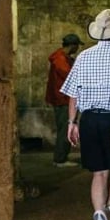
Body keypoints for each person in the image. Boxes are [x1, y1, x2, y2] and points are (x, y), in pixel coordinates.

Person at [61, 8, 110, 220]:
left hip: (89, 119)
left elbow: (73, 94)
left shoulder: (83, 57)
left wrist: (72, 122)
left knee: (99, 173)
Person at [46, 32, 81, 166]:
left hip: (63, 99)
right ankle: (60, 159)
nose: (78, 48)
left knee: (65, 128)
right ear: (72, 45)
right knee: (65, 129)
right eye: (77, 45)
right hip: (62, 99)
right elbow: (69, 75)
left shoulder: (63, 58)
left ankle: (61, 157)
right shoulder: (60, 60)